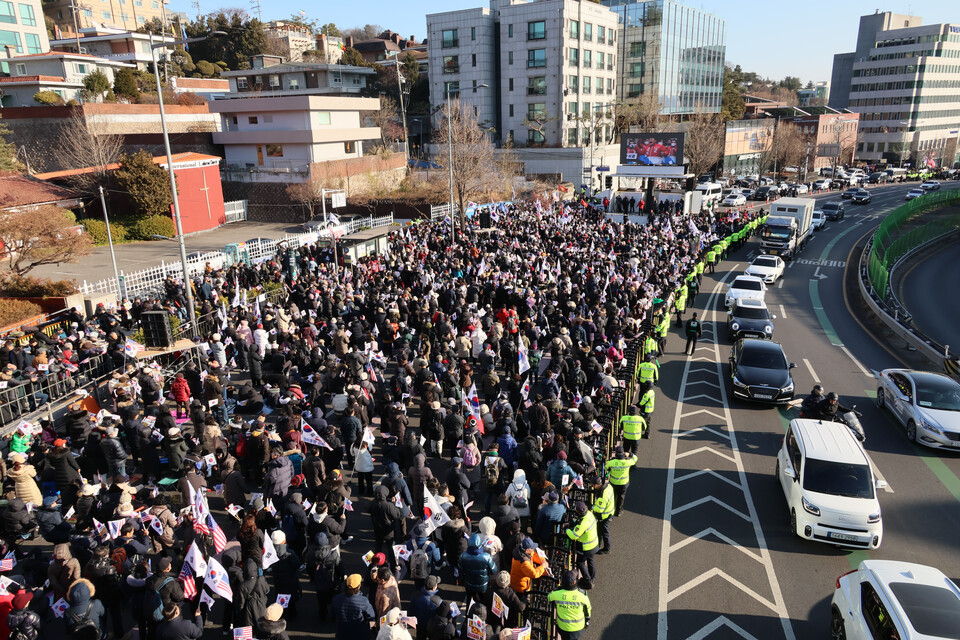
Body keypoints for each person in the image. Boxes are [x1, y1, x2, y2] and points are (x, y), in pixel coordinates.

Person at [547, 570, 591, 640]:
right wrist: (586, 622)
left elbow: (549, 597)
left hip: (563, 628)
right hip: (578, 628)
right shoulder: (582, 596)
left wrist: (558, 589)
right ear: (574, 583)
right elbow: (588, 612)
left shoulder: (556, 594)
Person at [329, 574, 375, 640]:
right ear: (359, 587)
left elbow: (332, 616)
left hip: (342, 634)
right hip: (360, 634)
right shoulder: (364, 601)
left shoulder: (336, 599)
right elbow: (371, 616)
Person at [564, 501, 598, 589]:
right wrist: (572, 523)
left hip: (586, 547)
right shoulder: (589, 514)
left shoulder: (582, 524)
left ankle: (587, 581)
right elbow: (579, 520)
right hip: (594, 544)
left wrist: (566, 528)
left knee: (580, 563)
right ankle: (592, 577)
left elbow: (573, 536)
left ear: (577, 512)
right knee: (590, 561)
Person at [458, 533, 499, 602]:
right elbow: (494, 571)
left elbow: (460, 570)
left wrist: (462, 580)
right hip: (483, 585)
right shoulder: (486, 557)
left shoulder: (463, 555)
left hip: (469, 583)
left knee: (469, 599)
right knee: (483, 600)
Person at [604, 446, 637, 517]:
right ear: (623, 453)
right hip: (624, 483)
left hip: (613, 483)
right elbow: (635, 459)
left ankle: (611, 510)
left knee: (612, 497)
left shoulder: (611, 462)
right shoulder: (627, 462)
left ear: (615, 453)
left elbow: (605, 468)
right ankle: (618, 512)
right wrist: (629, 454)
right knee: (621, 498)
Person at [590, 475, 615, 554]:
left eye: (592, 485)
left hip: (604, 516)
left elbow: (599, 509)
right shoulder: (608, 486)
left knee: (604, 532)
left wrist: (591, 507)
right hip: (610, 512)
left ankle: (607, 549)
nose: (592, 487)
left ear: (596, 485)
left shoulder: (602, 496)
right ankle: (598, 545)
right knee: (600, 531)